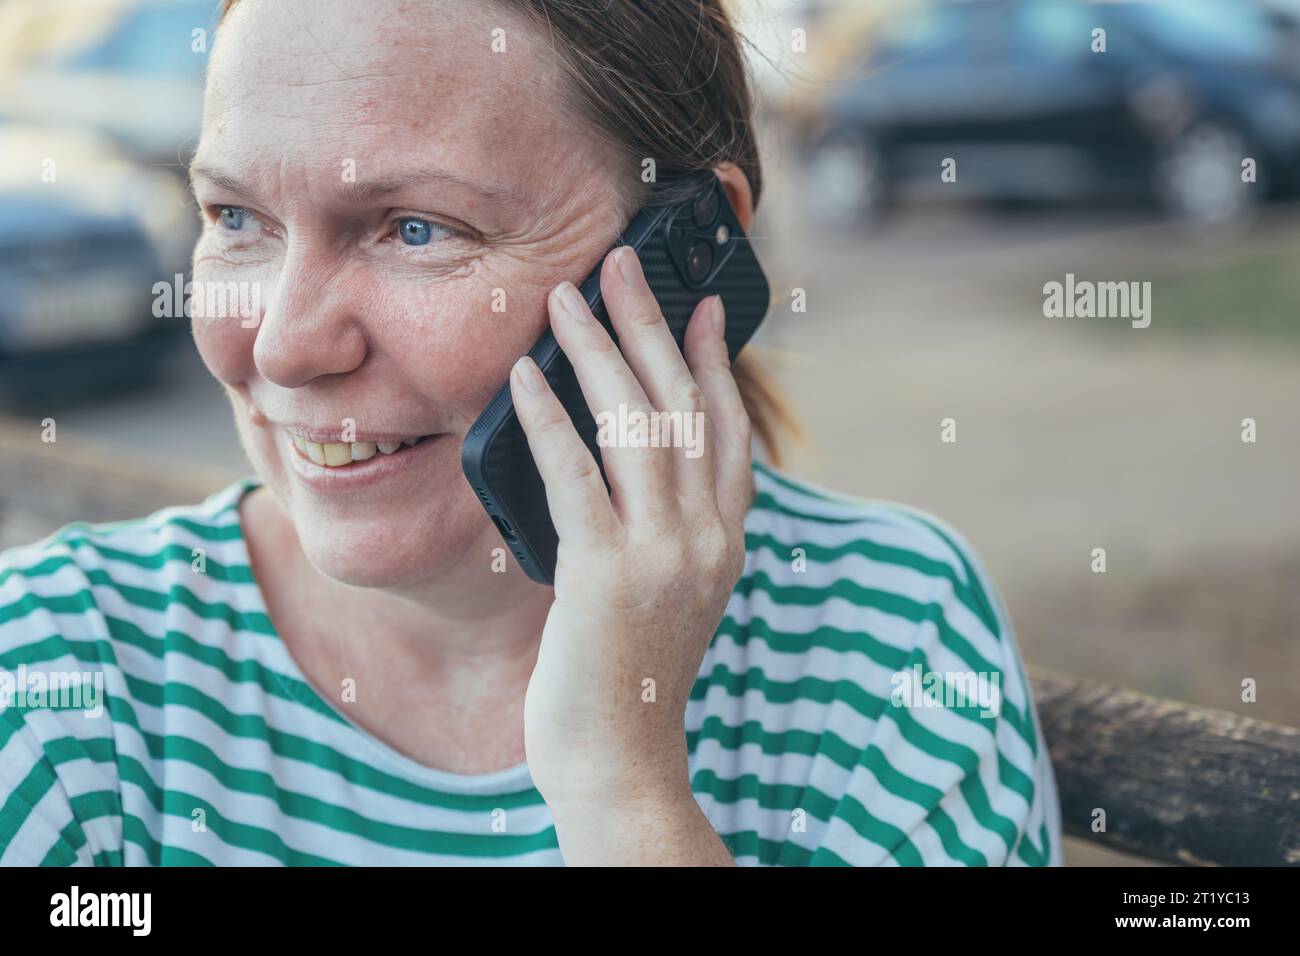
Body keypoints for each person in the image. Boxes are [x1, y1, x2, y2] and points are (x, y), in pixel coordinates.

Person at [0, 0, 1061, 866]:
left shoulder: (883, 642)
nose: (281, 345)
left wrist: (622, 784)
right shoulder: (62, 675)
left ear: (678, 255)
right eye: (236, 219)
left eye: (415, 228)